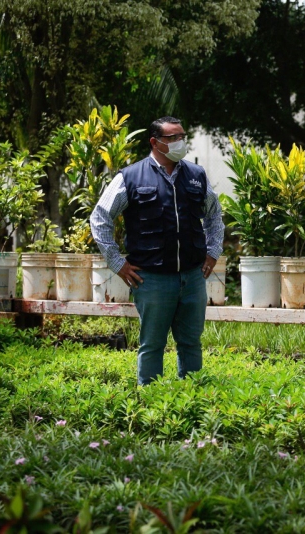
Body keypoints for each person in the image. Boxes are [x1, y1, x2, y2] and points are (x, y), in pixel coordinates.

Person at [91, 116, 224, 385]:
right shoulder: (129, 177)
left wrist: (213, 252)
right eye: (172, 138)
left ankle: (191, 399)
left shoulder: (196, 176)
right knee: (152, 344)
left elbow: (214, 216)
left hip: (192, 278)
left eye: (182, 137)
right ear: (155, 142)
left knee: (191, 343)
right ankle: (150, 403)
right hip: (151, 279)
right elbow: (100, 218)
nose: (180, 142)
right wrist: (118, 264)